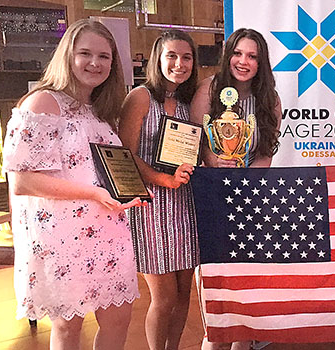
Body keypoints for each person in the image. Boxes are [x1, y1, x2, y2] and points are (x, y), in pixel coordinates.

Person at [2, 19, 142, 350]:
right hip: (62, 238)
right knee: (68, 326)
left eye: (104, 56)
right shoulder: (42, 103)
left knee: (120, 318)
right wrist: (93, 193)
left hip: (108, 232)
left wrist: (127, 191)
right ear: (68, 55)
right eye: (85, 53)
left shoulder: (102, 110)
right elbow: (22, 181)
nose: (95, 63)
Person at [191, 28, 282, 350]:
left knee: (246, 300)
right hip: (213, 201)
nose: (243, 62)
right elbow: (195, 142)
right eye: (238, 53)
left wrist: (245, 187)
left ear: (261, 62)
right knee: (218, 303)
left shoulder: (269, 99)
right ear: (228, 55)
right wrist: (212, 161)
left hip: (252, 204)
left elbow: (267, 152)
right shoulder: (208, 90)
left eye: (252, 56)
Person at [118, 30, 199, 350]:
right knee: (163, 298)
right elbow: (125, 155)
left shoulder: (187, 103)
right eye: (172, 56)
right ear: (157, 59)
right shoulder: (140, 97)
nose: (179, 63)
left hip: (184, 206)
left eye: (187, 57)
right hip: (151, 207)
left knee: (183, 296)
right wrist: (162, 179)